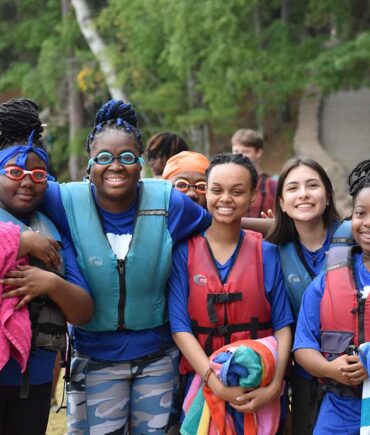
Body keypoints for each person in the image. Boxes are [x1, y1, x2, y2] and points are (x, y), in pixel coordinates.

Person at [41, 99, 211, 434]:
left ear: (141, 166)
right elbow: (14, 188)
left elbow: (222, 225)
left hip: (157, 360)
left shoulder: (169, 202)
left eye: (127, 158)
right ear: (89, 166)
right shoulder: (64, 200)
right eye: (104, 158)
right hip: (95, 359)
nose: (115, 166)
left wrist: (285, 227)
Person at [168, 153, 293, 431]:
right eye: (216, 190)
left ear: (251, 197)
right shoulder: (183, 252)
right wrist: (215, 382)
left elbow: (284, 326)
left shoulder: (267, 252)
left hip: (260, 381)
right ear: (207, 193)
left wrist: (273, 387)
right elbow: (180, 327)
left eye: (237, 192)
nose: (225, 199)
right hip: (202, 382)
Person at [0, 98, 93, 435]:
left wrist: (50, 283)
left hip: (36, 378)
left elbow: (83, 311)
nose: (28, 180)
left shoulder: (52, 230)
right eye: (14, 172)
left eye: (38, 173)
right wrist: (21, 243)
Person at [267, 157, 348, 434]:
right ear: (281, 203)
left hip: (355, 370)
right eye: (293, 188)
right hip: (303, 374)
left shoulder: (354, 238)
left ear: (327, 196)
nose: (303, 194)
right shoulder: (273, 252)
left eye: (312, 185)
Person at [293, 159, 370, 434]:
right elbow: (302, 347)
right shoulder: (325, 281)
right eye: (361, 213)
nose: (367, 223)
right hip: (339, 408)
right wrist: (331, 369)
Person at [231, 129, 277, 218]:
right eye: (236, 151)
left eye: (245, 152)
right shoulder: (226, 182)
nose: (239, 156)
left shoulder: (272, 185)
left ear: (258, 152)